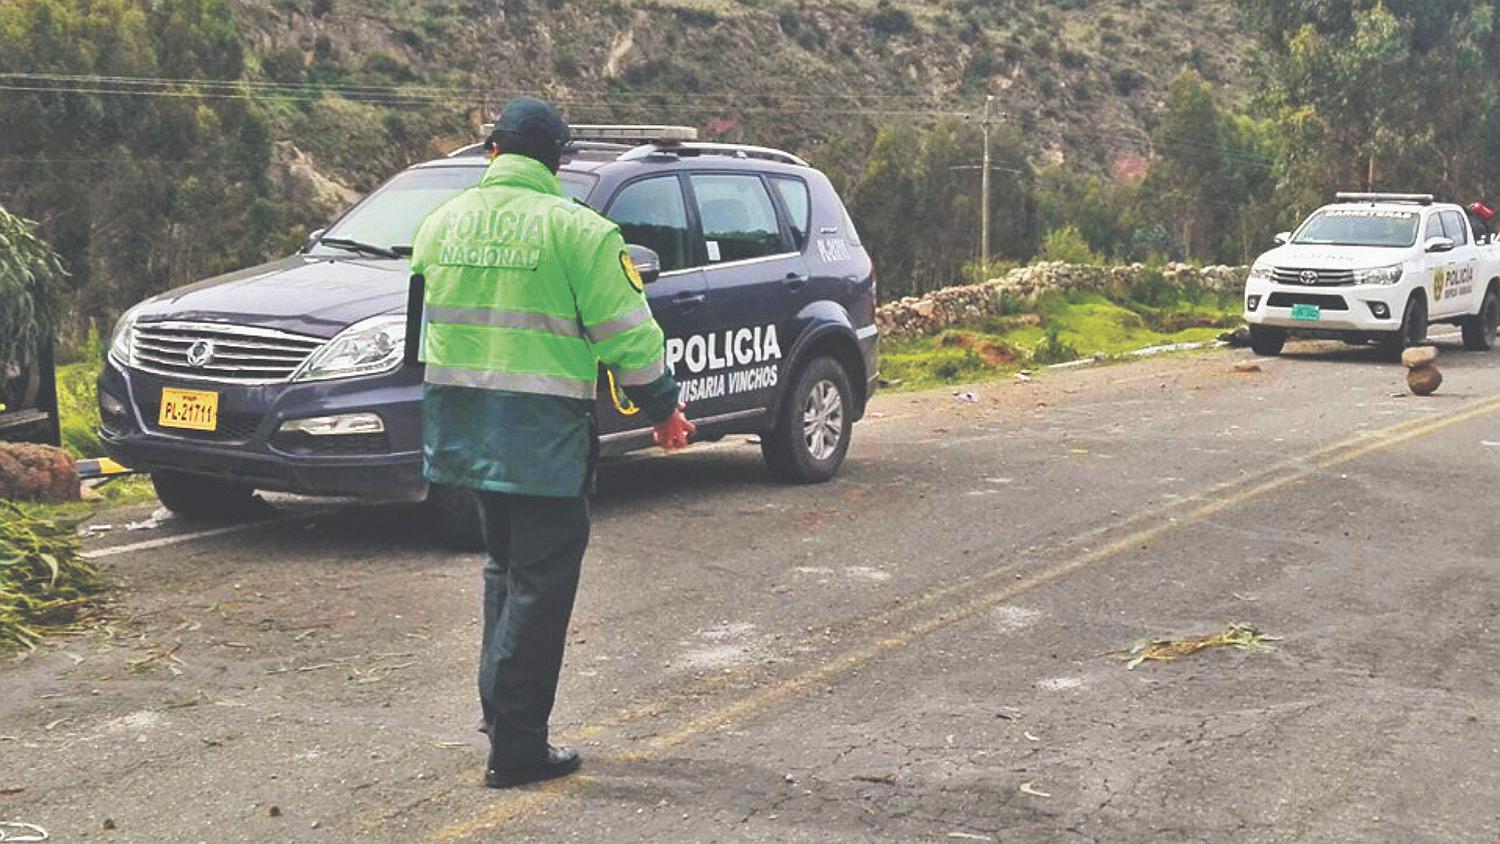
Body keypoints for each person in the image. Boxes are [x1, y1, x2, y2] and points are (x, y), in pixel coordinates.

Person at [409, 97, 695, 788]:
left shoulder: (438, 226)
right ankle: (516, 746)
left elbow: (426, 331)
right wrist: (663, 407)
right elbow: (628, 337)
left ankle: (499, 718)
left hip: (464, 432)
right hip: (540, 437)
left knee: (503, 572)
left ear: (492, 152)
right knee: (538, 585)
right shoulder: (583, 233)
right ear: (559, 161)